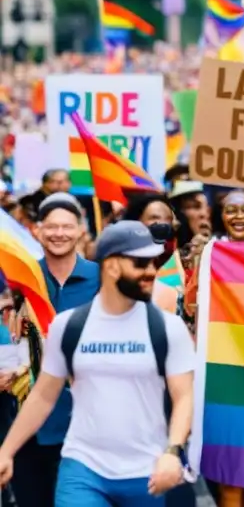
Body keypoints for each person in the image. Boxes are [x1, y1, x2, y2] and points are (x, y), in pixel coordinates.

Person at [0, 221, 196, 506]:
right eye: (140, 263)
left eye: (152, 262)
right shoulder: (68, 327)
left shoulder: (168, 328)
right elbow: (43, 395)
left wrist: (173, 450)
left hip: (148, 472)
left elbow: (184, 396)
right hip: (83, 471)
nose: (152, 271)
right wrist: (6, 451)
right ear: (112, 266)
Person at [13, 192, 99, 507]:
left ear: (80, 230)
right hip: (28, 420)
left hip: (87, 421)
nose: (58, 234)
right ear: (37, 230)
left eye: (66, 226)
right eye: (50, 227)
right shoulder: (21, 279)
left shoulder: (103, 278)